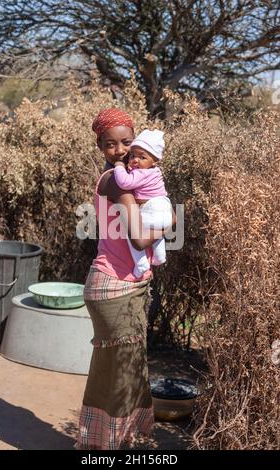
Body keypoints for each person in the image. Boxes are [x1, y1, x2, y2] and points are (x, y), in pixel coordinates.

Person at [76, 108, 175, 450]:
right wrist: (170, 221)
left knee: (122, 372)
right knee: (120, 377)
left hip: (121, 285)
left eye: (127, 143)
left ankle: (114, 443)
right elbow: (138, 238)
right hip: (115, 287)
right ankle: (107, 448)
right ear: (100, 146)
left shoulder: (118, 178)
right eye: (110, 145)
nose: (120, 152)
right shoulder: (116, 182)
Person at [114, 129, 173, 278]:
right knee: (155, 230)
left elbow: (124, 182)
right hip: (165, 208)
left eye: (142, 157)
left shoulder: (141, 173)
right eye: (133, 155)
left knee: (131, 233)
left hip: (152, 208)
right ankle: (159, 257)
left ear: (154, 161)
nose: (135, 160)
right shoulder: (155, 171)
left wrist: (119, 166)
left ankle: (141, 264)